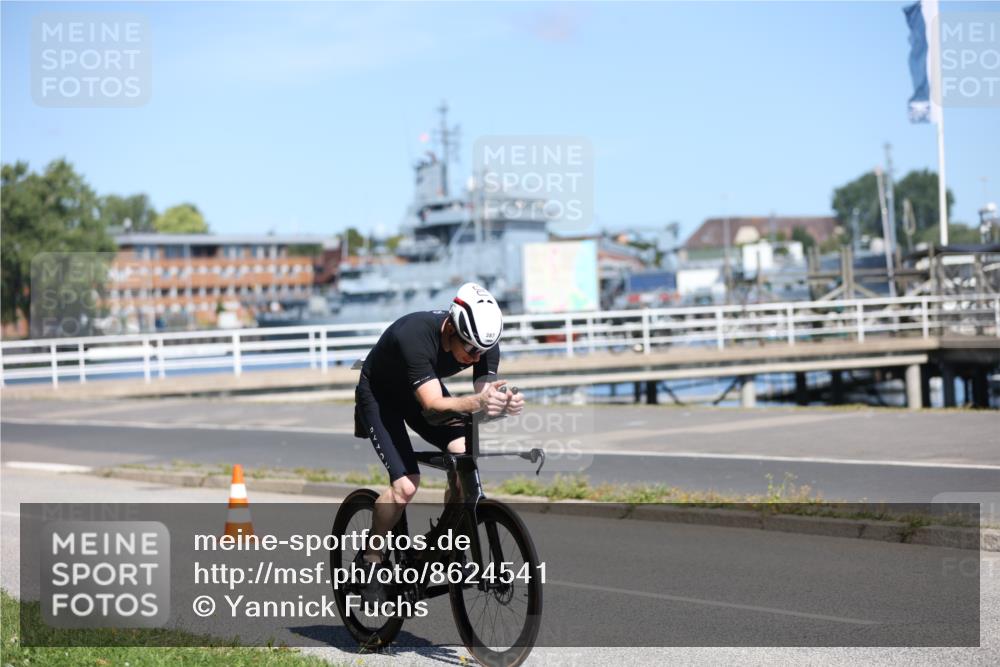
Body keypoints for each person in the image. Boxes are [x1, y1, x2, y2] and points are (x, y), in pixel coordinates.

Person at [353, 282, 524, 571]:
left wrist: (502, 403)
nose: (476, 357)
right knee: (405, 486)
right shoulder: (414, 335)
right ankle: (370, 557)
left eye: (483, 350)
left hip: (419, 391)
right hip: (381, 397)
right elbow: (432, 404)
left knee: (462, 456)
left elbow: (483, 397)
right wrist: (478, 402)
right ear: (450, 328)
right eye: (470, 348)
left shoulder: (481, 343)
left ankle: (442, 544)